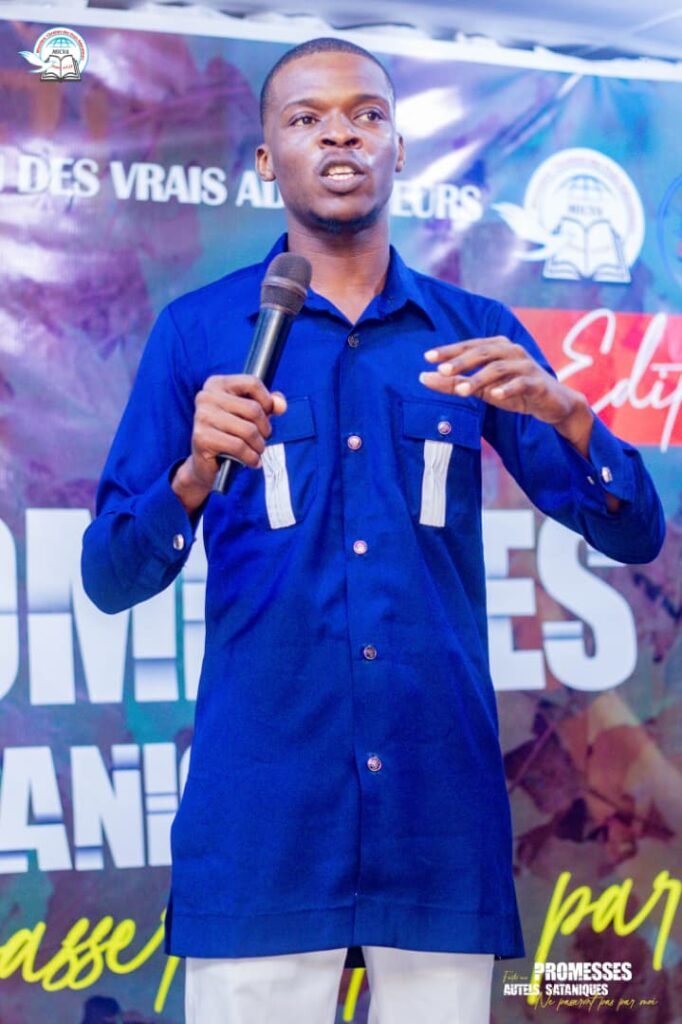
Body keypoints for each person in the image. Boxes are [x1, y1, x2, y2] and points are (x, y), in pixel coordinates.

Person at [81, 37, 665, 1024]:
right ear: (266, 159)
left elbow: (636, 534)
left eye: (366, 115)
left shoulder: (474, 332)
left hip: (436, 821)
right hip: (266, 830)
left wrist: (573, 420)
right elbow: (109, 575)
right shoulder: (199, 333)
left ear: (399, 149)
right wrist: (190, 476)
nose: (340, 134)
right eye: (306, 118)